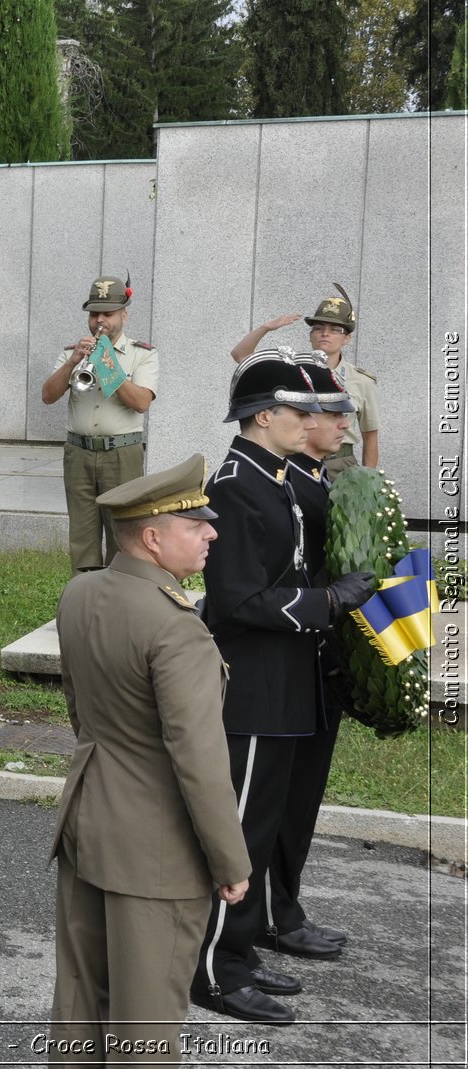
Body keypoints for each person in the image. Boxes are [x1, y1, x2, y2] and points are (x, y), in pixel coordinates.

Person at [47, 455, 251, 1065]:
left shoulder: (80, 593)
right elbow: (199, 759)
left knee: (80, 1008)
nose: (212, 532)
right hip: (155, 850)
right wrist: (230, 861)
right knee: (147, 1031)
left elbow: (83, 716)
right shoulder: (176, 627)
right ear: (154, 538)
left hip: (87, 823)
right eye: (197, 525)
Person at [190, 352, 374, 1024]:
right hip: (253, 686)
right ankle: (213, 968)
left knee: (261, 829)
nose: (313, 421)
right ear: (264, 415)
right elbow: (237, 599)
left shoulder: (273, 478)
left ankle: (239, 947)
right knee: (236, 835)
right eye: (300, 411)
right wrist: (327, 602)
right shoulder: (238, 483)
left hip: (284, 681)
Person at [259, 358, 356, 961]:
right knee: (281, 797)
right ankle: (272, 915)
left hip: (321, 658)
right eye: (328, 413)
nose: (343, 423)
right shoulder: (284, 482)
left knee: (302, 797)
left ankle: (283, 906)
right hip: (293, 655)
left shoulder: (318, 477)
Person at [40, 276, 159, 572]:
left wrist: (108, 364)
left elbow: (141, 402)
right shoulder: (73, 352)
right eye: (94, 314)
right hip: (78, 453)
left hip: (122, 453)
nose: (99, 321)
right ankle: (86, 601)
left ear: (124, 315)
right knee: (82, 535)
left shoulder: (142, 354)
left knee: (123, 534)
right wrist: (73, 363)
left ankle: (119, 602)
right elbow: (47, 395)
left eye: (107, 313)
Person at [229, 289, 378, 475]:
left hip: (340, 465)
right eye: (318, 328)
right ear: (310, 335)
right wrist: (265, 327)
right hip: (298, 459)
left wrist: (368, 482)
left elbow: (370, 436)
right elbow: (241, 355)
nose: (325, 334)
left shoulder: (361, 381)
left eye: (334, 330)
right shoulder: (292, 369)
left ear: (347, 338)